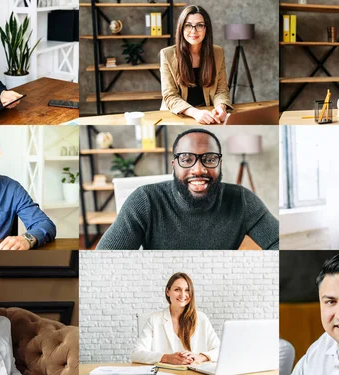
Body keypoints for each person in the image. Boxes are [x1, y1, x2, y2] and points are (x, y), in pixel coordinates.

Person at [95, 128, 279, 250]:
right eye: (186, 159)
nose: (199, 169)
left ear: (220, 164)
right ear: (174, 165)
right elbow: (104, 259)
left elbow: (278, 243)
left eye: (209, 159)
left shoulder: (242, 200)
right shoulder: (145, 200)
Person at [160, 5, 233, 124]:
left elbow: (221, 89)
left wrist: (221, 107)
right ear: (181, 28)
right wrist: (195, 113)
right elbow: (170, 96)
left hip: (208, 114)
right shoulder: (167, 54)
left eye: (199, 25)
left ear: (206, 29)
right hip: (179, 116)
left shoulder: (218, 52)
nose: (193, 31)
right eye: (188, 25)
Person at [131, 272, 220, 365]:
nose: (182, 295)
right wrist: (166, 358)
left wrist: (201, 357)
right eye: (177, 289)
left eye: (187, 290)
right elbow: (135, 353)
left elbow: (220, 350)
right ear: (168, 292)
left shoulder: (201, 318)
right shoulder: (155, 319)